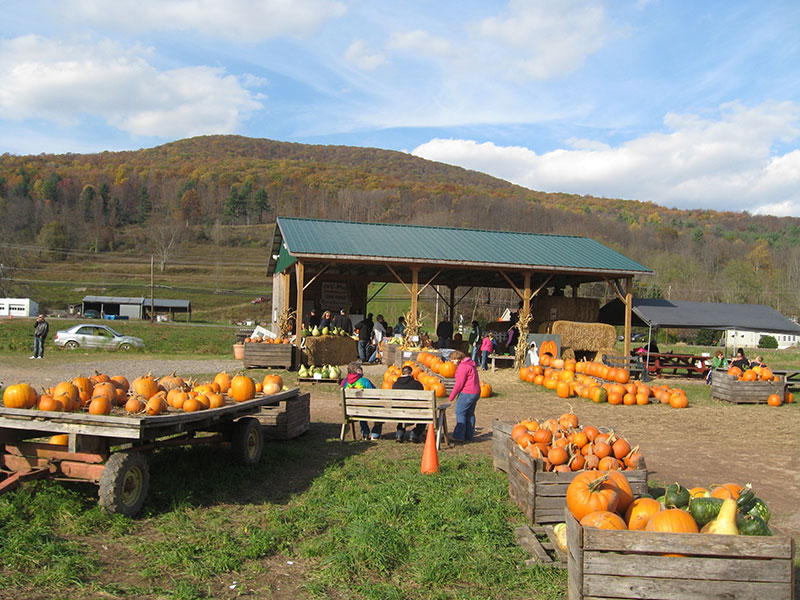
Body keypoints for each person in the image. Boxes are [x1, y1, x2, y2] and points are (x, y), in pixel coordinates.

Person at [340, 362, 382, 439]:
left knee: (360, 409)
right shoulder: (364, 381)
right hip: (365, 409)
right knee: (380, 409)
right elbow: (375, 394)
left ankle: (365, 433)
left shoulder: (344, 382)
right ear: (357, 371)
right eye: (361, 369)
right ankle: (375, 434)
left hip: (350, 410)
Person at [448, 350, 481, 442]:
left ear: (457, 359)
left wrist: (452, 396)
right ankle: (469, 435)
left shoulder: (463, 367)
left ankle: (459, 435)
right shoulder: (471, 364)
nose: (452, 363)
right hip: (476, 392)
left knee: (460, 412)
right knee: (470, 414)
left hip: (467, 393)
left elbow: (459, 383)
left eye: (452, 360)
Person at [392, 365, 426, 443]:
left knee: (401, 411)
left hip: (398, 412)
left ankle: (399, 433)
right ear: (412, 373)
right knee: (425, 414)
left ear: (401, 374)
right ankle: (414, 434)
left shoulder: (395, 385)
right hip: (414, 411)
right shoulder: (416, 384)